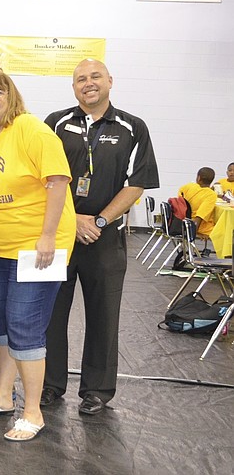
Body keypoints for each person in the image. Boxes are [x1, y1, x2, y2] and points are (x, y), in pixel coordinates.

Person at [0, 70, 76, 442]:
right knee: (2, 324)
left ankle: (32, 411)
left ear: (11, 96)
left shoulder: (31, 129)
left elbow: (57, 181)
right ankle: (2, 396)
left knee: (25, 325)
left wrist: (46, 237)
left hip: (38, 248)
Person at [42, 59, 159, 416]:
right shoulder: (55, 123)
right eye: (80, 79)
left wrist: (100, 220)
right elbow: (42, 178)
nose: (88, 83)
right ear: (73, 87)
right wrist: (72, 219)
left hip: (105, 238)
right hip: (58, 235)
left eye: (95, 77)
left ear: (110, 81)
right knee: (48, 313)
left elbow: (136, 183)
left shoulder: (133, 127)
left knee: (104, 316)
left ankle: (96, 390)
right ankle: (48, 384)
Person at [179, 167, 217, 237]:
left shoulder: (187, 187)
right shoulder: (211, 195)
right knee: (224, 231)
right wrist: (191, 234)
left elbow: (179, 202)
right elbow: (200, 216)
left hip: (181, 221)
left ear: (198, 178)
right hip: (197, 227)